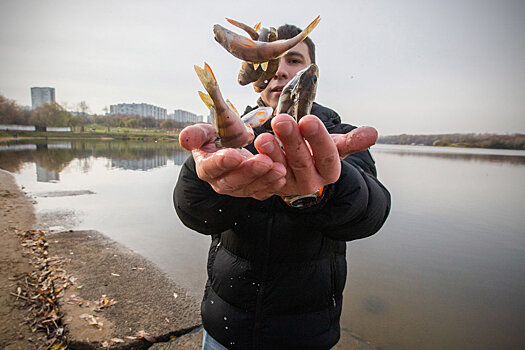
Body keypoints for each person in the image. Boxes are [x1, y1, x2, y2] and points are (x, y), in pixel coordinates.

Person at [174, 24, 391, 350]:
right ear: (259, 76)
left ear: (310, 72)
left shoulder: (341, 136)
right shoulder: (230, 137)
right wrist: (204, 172)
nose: (281, 72)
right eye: (273, 63)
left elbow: (370, 212)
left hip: (305, 338)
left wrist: (324, 189)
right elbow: (196, 214)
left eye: (294, 60)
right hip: (224, 328)